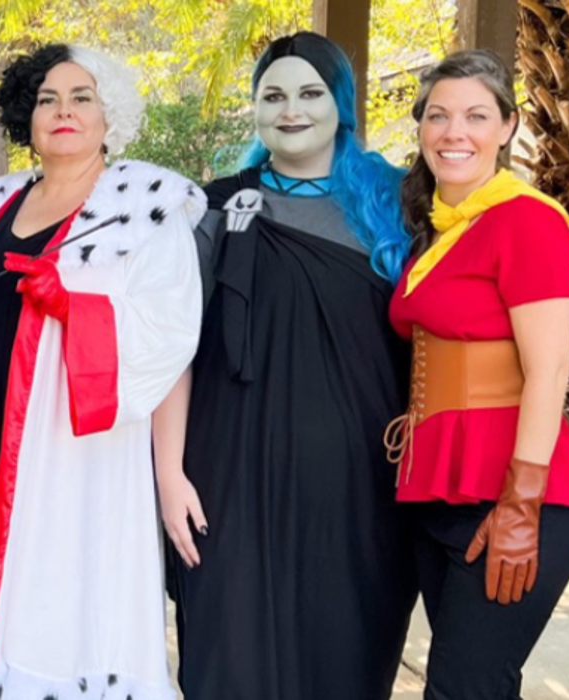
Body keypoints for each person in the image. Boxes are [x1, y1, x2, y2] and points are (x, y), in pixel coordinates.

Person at [0, 44, 205, 699]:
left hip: (77, 469)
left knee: (61, 622)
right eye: (47, 99)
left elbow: (168, 342)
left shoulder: (144, 210)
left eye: (81, 98)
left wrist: (76, 310)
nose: (63, 111)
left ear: (110, 115)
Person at [168, 32, 419, 700]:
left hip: (359, 488)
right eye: (272, 96)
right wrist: (168, 476)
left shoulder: (397, 206)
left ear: (341, 103)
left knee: (344, 658)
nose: (290, 110)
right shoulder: (213, 207)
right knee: (228, 658)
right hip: (228, 482)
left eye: (309, 93)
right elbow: (171, 351)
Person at [386, 49, 569, 699]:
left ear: (507, 126)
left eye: (476, 116)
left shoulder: (527, 219)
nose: (454, 132)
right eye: (438, 115)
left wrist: (519, 505)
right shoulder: (438, 228)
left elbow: (549, 368)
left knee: (462, 689)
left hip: (513, 498)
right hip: (437, 491)